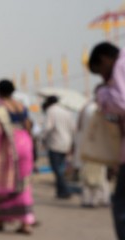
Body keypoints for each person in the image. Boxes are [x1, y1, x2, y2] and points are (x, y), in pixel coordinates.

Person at [0, 79, 35, 235]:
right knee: (23, 183)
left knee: (1, 182)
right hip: (25, 144)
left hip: (6, 146)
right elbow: (28, 126)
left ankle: (0, 220)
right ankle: (26, 223)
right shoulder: (20, 106)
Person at [88, 41, 125, 239]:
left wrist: (102, 93)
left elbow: (121, 102)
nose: (104, 77)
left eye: (100, 71)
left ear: (104, 60)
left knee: (121, 207)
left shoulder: (120, 64)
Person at [42, 96, 75, 199]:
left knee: (56, 169)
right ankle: (60, 191)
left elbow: (47, 127)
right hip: (66, 143)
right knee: (60, 168)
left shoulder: (51, 111)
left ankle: (65, 190)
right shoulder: (66, 112)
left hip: (55, 143)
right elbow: (73, 128)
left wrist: (43, 138)